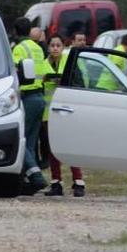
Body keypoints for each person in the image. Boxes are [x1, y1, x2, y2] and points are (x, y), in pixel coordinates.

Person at [45, 32, 88, 197]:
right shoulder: (43, 64)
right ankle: (56, 182)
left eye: (58, 45)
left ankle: (78, 182)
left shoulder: (70, 63)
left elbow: (79, 84)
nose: (55, 48)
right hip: (47, 114)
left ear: (63, 47)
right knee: (51, 149)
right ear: (48, 47)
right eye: (52, 45)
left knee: (69, 146)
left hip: (67, 111)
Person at [11, 17, 49, 194]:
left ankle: (36, 177)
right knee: (31, 142)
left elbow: (14, 71)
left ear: (16, 31)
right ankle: (29, 181)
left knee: (21, 140)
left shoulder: (19, 48)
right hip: (40, 97)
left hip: (27, 97)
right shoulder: (38, 48)